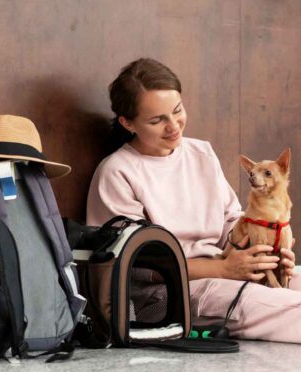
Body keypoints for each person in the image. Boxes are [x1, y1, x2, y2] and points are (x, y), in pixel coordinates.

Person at [86, 58, 299, 343]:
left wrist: (271, 249)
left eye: (177, 111)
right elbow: (133, 263)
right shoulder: (117, 172)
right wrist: (223, 269)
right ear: (128, 123)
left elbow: (232, 225)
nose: (173, 126)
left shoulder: (201, 153)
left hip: (229, 270)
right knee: (293, 310)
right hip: (171, 293)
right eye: (157, 120)